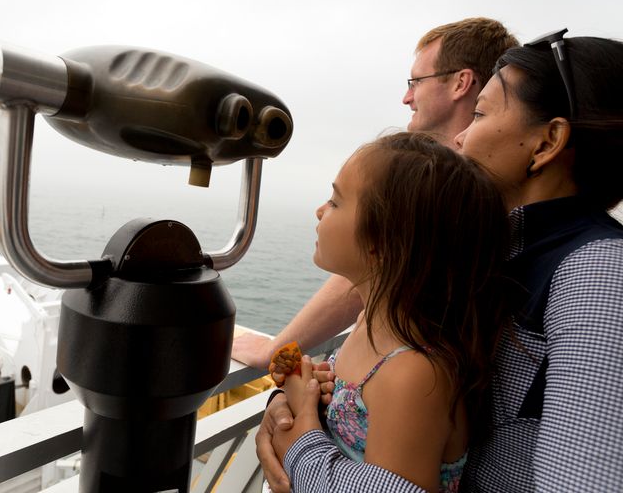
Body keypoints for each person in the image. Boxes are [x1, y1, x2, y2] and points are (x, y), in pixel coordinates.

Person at [262, 32, 623, 492]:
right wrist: (288, 405)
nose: (460, 136)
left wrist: (304, 448)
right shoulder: (485, 252)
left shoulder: (599, 271)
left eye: (480, 114)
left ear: (547, 141)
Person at [231, 17, 519, 370]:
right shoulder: (498, 184)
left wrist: (274, 349)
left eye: (416, 81)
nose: (407, 96)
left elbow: (370, 270)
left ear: (461, 83)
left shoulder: (448, 193)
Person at [264, 132, 510, 492]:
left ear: (383, 240)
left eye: (335, 201)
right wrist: (309, 392)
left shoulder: (413, 376)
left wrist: (304, 423)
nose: (320, 210)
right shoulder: (368, 324)